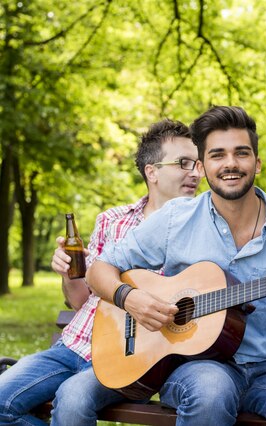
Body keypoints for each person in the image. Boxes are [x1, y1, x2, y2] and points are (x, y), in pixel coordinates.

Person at [86, 105, 266, 426]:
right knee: (211, 393)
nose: (230, 163)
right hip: (196, 366)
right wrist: (129, 298)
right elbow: (99, 269)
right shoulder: (176, 219)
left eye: (241, 153)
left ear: (257, 163)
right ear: (202, 167)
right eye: (218, 155)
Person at [0, 119, 201, 426]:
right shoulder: (113, 220)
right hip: (73, 345)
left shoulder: (203, 230)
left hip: (130, 359)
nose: (196, 173)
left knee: (72, 401)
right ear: (152, 172)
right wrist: (68, 273)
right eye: (184, 163)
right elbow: (82, 300)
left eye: (197, 164)